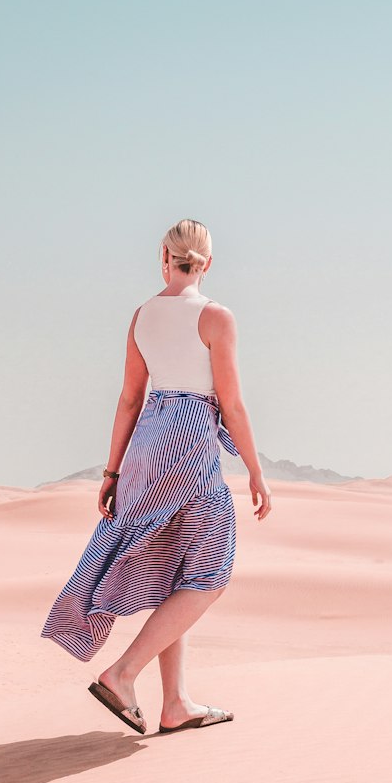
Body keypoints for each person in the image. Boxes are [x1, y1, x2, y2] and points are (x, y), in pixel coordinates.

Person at [40, 218, 272, 736]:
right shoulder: (216, 317)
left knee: (176, 570)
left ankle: (175, 703)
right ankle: (122, 673)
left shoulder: (142, 315)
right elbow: (230, 402)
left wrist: (112, 469)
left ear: (163, 258)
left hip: (146, 440)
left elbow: (128, 398)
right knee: (211, 574)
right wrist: (256, 470)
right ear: (208, 263)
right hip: (188, 439)